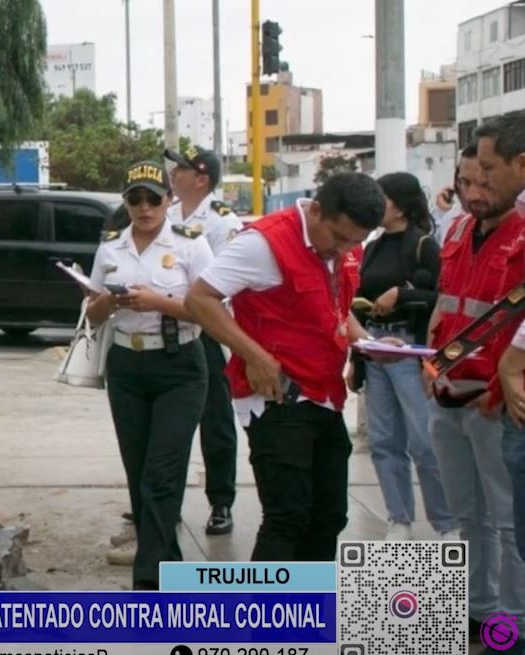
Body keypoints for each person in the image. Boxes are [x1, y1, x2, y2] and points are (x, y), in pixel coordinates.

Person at [184, 172, 387, 562]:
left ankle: (310, 600)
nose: (345, 249)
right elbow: (200, 299)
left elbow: (335, 309)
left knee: (329, 517)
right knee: (288, 518)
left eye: (355, 242)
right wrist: (255, 356)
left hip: (325, 395)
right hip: (278, 395)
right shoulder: (264, 243)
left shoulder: (343, 247)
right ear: (316, 210)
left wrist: (368, 341)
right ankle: (268, 603)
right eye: (339, 238)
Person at [84, 161, 214, 589]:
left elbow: (216, 312)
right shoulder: (111, 248)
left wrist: (159, 302)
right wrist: (108, 303)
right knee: (140, 476)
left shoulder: (191, 245)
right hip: (127, 366)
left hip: (179, 366)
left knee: (162, 475)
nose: (144, 208)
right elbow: (90, 313)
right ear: (125, 202)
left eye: (153, 199)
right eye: (135, 199)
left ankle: (149, 583)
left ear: (169, 201)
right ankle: (168, 567)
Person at [428, 134, 525, 643]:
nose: (474, 191)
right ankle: (477, 608)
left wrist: (498, 389)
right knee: (468, 514)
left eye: (485, 178)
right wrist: (430, 368)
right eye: (466, 181)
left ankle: (513, 621)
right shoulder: (459, 229)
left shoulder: (522, 234)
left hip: (493, 401)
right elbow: (445, 304)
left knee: (508, 520)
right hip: (447, 392)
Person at [349, 171, 456, 542]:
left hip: (410, 348)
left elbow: (443, 297)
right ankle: (399, 518)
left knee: (424, 442)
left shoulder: (424, 245)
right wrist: (357, 359)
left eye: (382, 197)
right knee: (383, 441)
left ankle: (446, 523)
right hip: (375, 348)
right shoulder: (373, 247)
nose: (375, 205)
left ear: (401, 205)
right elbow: (358, 303)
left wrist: (402, 294)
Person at [166, 144, 244, 535]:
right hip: (168, 328)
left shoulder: (221, 221)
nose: (173, 173)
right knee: (169, 424)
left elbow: (228, 283)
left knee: (215, 421)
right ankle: (165, 500)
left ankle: (221, 502)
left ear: (201, 179)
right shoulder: (167, 213)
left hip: (207, 332)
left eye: (181, 169)